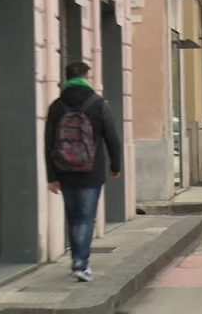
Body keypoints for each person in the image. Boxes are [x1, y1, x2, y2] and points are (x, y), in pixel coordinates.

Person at [45, 62, 121, 283]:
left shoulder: (57, 106)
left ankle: (77, 261)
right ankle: (81, 264)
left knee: (74, 216)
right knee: (87, 217)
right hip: (91, 170)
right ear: (86, 77)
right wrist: (115, 165)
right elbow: (112, 138)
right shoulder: (98, 104)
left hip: (64, 170)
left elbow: (49, 142)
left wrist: (51, 176)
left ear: (67, 78)